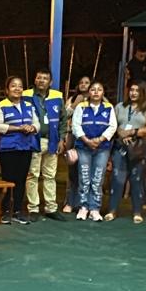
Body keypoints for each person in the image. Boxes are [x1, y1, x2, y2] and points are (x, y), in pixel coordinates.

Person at [105, 84, 146, 224]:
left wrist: (132, 132)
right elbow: (113, 124)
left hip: (138, 148)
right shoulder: (120, 106)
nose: (133, 93)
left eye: (137, 91)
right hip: (120, 146)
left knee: (136, 179)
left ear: (143, 92)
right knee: (117, 178)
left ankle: (137, 212)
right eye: (132, 90)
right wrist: (121, 134)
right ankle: (112, 210)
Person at [0, 75, 38, 224]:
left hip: (26, 147)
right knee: (8, 178)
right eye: (13, 86)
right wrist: (18, 128)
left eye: (20, 86)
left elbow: (37, 124)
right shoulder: (1, 105)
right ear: (7, 90)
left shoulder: (29, 106)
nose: (17, 88)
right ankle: (5, 211)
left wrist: (32, 127)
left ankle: (18, 211)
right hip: (8, 148)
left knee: (21, 179)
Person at [23, 69, 67, 220]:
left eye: (45, 78)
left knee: (50, 175)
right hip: (33, 140)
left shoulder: (57, 96)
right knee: (32, 175)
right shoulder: (26, 95)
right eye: (39, 78)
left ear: (50, 82)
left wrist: (61, 139)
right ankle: (33, 208)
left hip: (52, 140)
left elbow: (63, 119)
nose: (42, 80)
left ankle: (51, 208)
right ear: (35, 80)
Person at [72, 80, 117, 222]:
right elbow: (75, 126)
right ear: (88, 92)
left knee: (97, 179)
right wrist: (87, 140)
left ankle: (95, 208)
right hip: (84, 147)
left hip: (102, 148)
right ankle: (83, 207)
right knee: (84, 178)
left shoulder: (108, 107)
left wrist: (100, 139)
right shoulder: (81, 107)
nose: (96, 92)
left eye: (99, 89)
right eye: (93, 89)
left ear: (103, 92)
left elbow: (113, 126)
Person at [62, 75, 90, 213]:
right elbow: (64, 115)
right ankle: (70, 201)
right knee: (72, 171)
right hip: (73, 137)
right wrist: (75, 104)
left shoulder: (98, 100)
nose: (83, 85)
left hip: (90, 137)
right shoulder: (73, 99)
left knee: (85, 171)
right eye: (81, 82)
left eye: (87, 83)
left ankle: (83, 203)